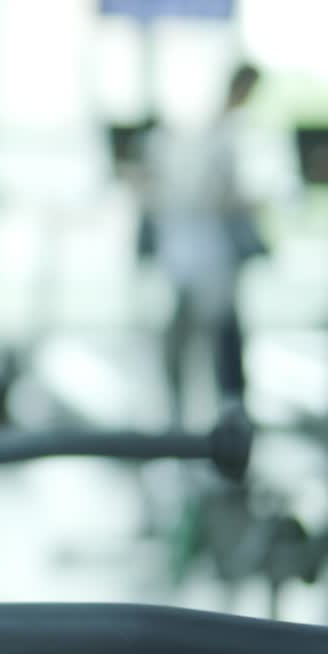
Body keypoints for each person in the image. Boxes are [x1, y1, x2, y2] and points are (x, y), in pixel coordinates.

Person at [141, 64, 264, 424]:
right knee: (206, 335)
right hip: (202, 256)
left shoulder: (208, 135)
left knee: (204, 335)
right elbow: (213, 198)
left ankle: (201, 413)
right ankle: (200, 413)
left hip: (195, 255)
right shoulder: (211, 136)